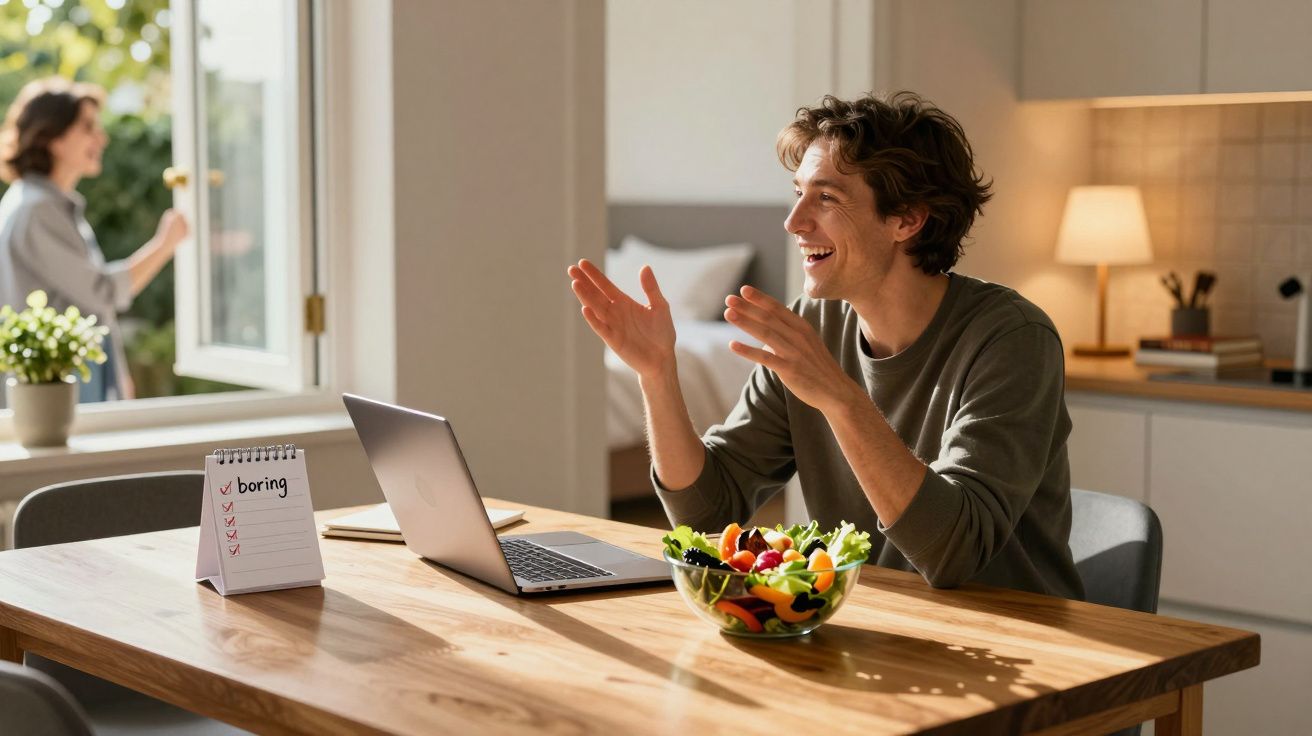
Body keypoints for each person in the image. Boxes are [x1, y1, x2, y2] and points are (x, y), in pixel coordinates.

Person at [568, 92, 1084, 600]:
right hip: (876, 627)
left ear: (907, 219)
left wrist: (839, 397)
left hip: (1015, 640)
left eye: (827, 198)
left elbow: (955, 552)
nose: (794, 222)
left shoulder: (1012, 339)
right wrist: (657, 374)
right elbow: (707, 512)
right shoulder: (811, 323)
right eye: (798, 193)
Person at [0, 77, 188, 402]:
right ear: (52, 137)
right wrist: (165, 245)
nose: (101, 138)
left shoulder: (45, 205)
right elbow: (101, 293)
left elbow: (86, 303)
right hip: (57, 394)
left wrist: (117, 372)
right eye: (88, 127)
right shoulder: (37, 210)